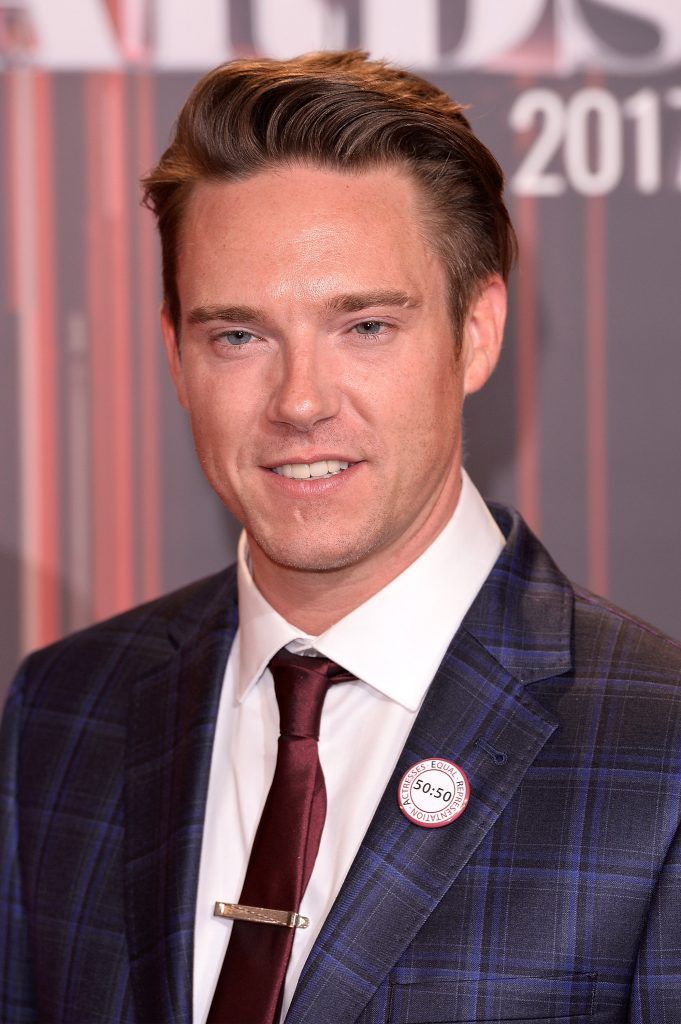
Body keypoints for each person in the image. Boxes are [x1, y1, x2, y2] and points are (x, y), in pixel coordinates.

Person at [1, 50, 680, 1024]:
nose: (300, 401)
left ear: (477, 329)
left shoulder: (661, 756)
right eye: (238, 335)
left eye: (363, 325)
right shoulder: (65, 712)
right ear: (176, 354)